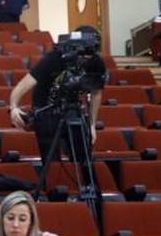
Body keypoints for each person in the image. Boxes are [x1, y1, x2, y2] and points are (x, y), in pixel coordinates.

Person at [8, 26, 106, 160]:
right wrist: (13, 107)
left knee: (83, 157)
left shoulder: (96, 62)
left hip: (72, 109)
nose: (86, 58)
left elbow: (96, 93)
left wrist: (92, 125)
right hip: (46, 110)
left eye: (90, 52)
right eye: (83, 53)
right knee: (51, 160)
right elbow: (24, 85)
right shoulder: (54, 58)